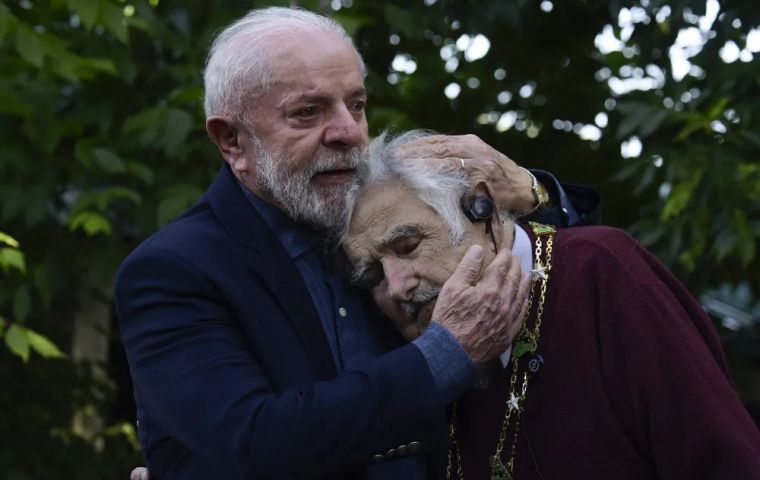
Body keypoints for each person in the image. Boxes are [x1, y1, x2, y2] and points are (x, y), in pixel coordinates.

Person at [116, 7, 599, 480]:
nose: (349, 132)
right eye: (308, 112)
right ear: (232, 141)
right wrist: (447, 354)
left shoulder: (385, 212)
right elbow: (254, 443)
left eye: (357, 104)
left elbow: (562, 290)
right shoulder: (171, 271)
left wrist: (536, 193)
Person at [342, 130, 760, 480]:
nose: (397, 287)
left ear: (482, 211)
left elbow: (722, 458)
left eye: (409, 245)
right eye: (374, 277)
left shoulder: (600, 271)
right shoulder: (407, 360)